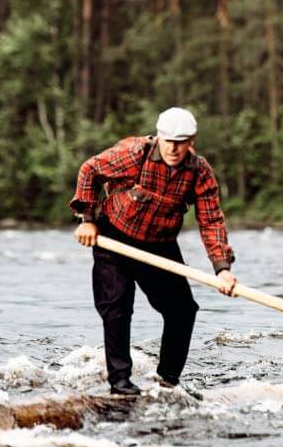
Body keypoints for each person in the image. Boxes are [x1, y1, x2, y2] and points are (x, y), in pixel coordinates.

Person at [70, 107, 236, 396]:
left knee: (183, 310)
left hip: (159, 245)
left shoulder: (200, 172)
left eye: (181, 141)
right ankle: (120, 384)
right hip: (115, 239)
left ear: (192, 141)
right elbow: (90, 169)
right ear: (159, 137)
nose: (173, 148)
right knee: (118, 308)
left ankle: (168, 382)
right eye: (168, 140)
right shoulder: (135, 153)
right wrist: (88, 220)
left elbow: (211, 220)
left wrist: (222, 269)